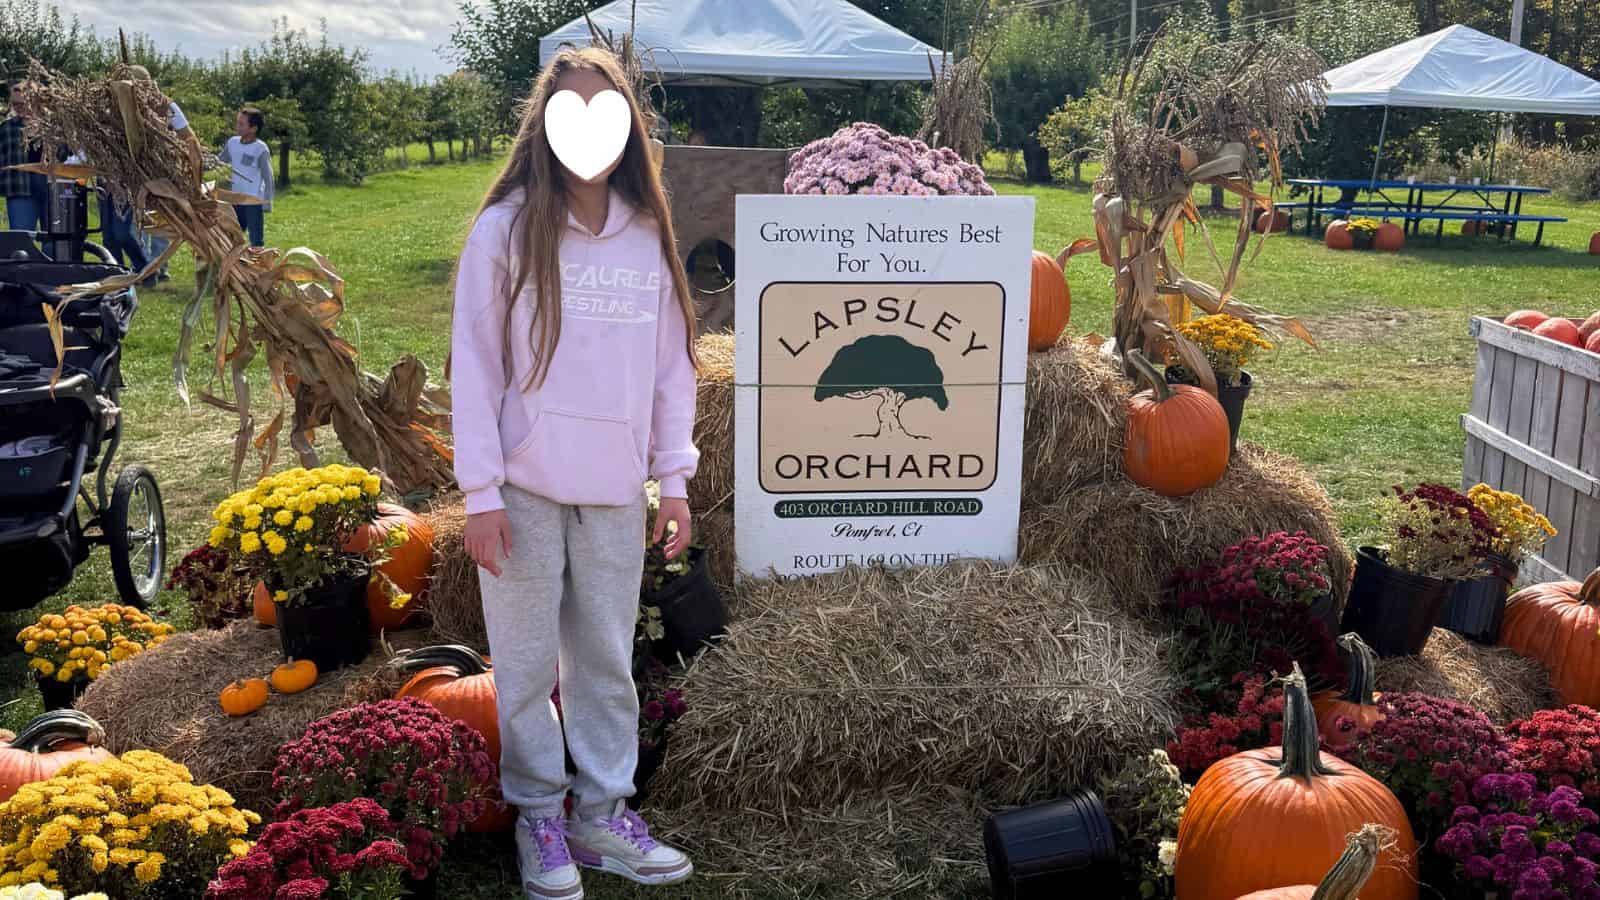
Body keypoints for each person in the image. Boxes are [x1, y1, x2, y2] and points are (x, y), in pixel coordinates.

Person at [450, 46, 700, 900]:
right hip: (520, 491)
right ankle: (539, 819)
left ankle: (601, 814)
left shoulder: (645, 233)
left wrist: (675, 478)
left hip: (614, 494)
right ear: (543, 125)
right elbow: (475, 367)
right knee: (521, 669)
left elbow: (672, 368)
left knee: (603, 659)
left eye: (606, 107)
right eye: (572, 109)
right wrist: (479, 494)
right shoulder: (506, 230)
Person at [127, 65, 200, 280]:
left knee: (160, 218)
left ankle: (158, 266)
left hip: (163, 170)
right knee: (137, 219)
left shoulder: (167, 106)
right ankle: (145, 265)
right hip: (134, 171)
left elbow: (188, 135)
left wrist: (180, 157)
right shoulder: (124, 107)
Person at [219, 107, 273, 247]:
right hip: (235, 199)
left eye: (241, 124)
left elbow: (268, 178)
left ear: (253, 128)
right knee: (233, 236)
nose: (237, 127)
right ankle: (234, 265)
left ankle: (258, 266)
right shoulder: (232, 142)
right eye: (237, 122)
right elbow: (220, 160)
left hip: (253, 201)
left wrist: (267, 202)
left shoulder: (260, 149)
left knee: (256, 240)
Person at [1, 81, 47, 233]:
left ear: (34, 101)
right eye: (14, 104)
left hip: (51, 188)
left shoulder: (52, 126)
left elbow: (65, 155)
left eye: (22, 104)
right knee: (21, 239)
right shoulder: (6, 128)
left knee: (55, 240)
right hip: (19, 187)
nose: (17, 108)